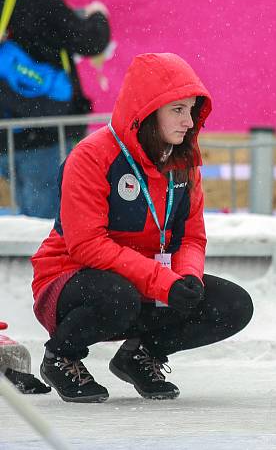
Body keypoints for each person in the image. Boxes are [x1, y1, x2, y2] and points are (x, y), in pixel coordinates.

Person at [30, 52, 254, 403]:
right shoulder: (91, 157)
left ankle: (139, 355)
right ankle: (61, 356)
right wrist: (164, 282)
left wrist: (188, 278)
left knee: (233, 305)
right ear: (147, 111)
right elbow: (87, 245)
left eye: (192, 109)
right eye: (177, 110)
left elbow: (191, 236)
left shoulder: (183, 162)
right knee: (119, 297)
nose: (188, 120)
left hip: (143, 282)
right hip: (69, 279)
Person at [0, 0, 110, 218]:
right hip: (44, 134)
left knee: (27, 221)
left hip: (9, 133)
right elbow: (89, 40)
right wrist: (98, 16)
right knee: (47, 228)